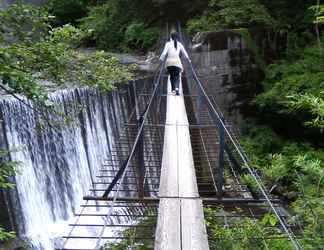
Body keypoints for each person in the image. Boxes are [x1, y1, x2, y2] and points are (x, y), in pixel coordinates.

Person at [159, 31, 191, 96]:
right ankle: (177, 89)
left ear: (171, 37)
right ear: (177, 37)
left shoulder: (167, 44)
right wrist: (188, 59)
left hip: (169, 63)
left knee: (172, 76)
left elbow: (164, 53)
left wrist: (161, 60)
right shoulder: (179, 44)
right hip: (177, 63)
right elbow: (184, 53)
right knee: (177, 76)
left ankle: (173, 89)